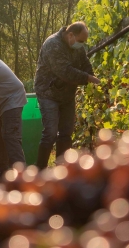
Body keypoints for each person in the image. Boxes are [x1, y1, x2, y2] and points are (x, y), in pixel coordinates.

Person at [34, 21, 100, 170]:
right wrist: (87, 78)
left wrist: (93, 76)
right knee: (50, 132)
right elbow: (65, 71)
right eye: (81, 41)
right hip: (48, 93)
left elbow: (84, 63)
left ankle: (61, 170)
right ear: (71, 35)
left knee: (66, 132)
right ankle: (40, 170)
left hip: (67, 94)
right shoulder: (52, 45)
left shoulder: (76, 46)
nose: (82, 44)